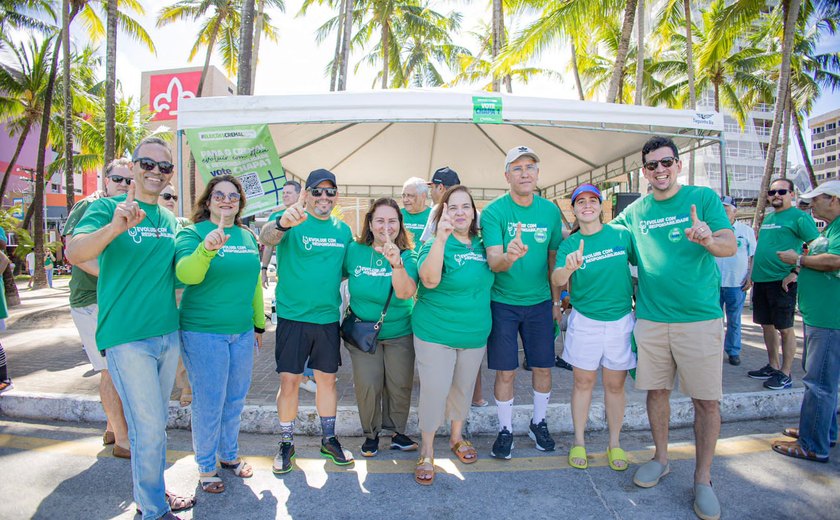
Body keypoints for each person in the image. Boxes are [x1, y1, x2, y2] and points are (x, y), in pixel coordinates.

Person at [66, 137, 194, 520]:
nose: (156, 172)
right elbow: (74, 253)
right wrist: (115, 228)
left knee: (155, 425)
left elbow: (179, 276)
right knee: (149, 426)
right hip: (126, 338)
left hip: (166, 336)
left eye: (165, 167)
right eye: (148, 164)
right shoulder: (106, 208)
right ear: (134, 167)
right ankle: (153, 510)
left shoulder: (172, 221)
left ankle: (153, 493)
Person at [613, 136, 736, 520]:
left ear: (678, 164)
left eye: (666, 162)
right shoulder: (635, 212)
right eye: (651, 165)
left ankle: (703, 478)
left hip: (699, 319)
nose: (660, 170)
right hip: (651, 319)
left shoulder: (703, 198)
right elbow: (604, 237)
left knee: (706, 401)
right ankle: (661, 458)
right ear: (644, 171)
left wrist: (709, 239)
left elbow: (729, 245)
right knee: (656, 392)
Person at [259, 168, 354, 474]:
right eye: (317, 191)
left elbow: (344, 270)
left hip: (327, 319)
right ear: (307, 194)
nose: (323, 197)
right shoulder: (292, 220)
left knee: (327, 380)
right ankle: (286, 442)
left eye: (330, 191)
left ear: (336, 195)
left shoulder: (343, 230)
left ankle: (329, 438)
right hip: (292, 318)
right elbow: (266, 237)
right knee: (289, 381)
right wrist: (283, 222)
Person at [176, 175, 264, 493]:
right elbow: (186, 273)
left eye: (233, 196)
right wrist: (207, 249)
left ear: (240, 202)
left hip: (240, 333)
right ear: (208, 201)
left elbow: (253, 282)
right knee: (209, 401)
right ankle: (205, 465)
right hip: (203, 333)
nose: (226, 200)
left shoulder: (247, 235)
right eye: (219, 195)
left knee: (235, 398)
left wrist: (258, 325)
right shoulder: (191, 233)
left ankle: (228, 456)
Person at [481, 145, 564, 458]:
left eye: (530, 166)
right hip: (502, 303)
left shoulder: (550, 211)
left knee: (543, 366)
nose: (525, 172)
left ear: (538, 173)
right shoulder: (494, 213)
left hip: (541, 303)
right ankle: (505, 430)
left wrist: (556, 302)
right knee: (506, 371)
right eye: (517, 168)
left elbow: (554, 258)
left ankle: (538, 422)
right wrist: (509, 256)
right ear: (506, 176)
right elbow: (493, 262)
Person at [412, 185, 494, 485]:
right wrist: (442, 238)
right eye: (453, 207)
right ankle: (428, 448)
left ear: (474, 212)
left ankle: (457, 437)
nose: (460, 212)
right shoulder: (433, 241)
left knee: (463, 387)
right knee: (435, 389)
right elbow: (429, 280)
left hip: (474, 332)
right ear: (442, 212)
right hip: (435, 331)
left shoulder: (486, 244)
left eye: (466, 207)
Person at [551, 183, 636, 471]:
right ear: (573, 210)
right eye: (580, 202)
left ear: (601, 206)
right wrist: (569, 268)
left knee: (615, 386)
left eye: (592, 200)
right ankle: (579, 442)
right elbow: (557, 279)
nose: (587, 205)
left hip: (620, 322)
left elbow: (643, 265)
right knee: (583, 383)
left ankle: (614, 444)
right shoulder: (569, 244)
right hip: (585, 322)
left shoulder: (622, 236)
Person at [62, 158, 133, 458]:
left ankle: (111, 426)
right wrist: (112, 277)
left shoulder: (130, 208)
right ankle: (123, 441)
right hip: (91, 300)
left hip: (114, 301)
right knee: (109, 370)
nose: (124, 186)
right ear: (105, 180)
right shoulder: (89, 206)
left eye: (130, 181)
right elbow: (72, 252)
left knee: (115, 367)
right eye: (118, 179)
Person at [344, 198, 419, 457]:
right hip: (363, 333)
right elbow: (334, 274)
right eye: (380, 220)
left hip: (399, 332)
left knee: (399, 384)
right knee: (368, 383)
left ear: (400, 224)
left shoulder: (409, 255)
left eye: (392, 221)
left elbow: (406, 291)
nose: (386, 226)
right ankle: (371, 434)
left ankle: (397, 432)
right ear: (370, 223)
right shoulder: (354, 250)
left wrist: (396, 263)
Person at [771, 180, 840, 463]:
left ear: (834, 199)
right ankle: (824, 431)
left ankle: (813, 444)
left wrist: (797, 260)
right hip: (820, 316)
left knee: (819, 382)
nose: (812, 204)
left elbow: (835, 261)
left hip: (830, 319)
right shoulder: (832, 228)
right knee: (825, 381)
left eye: (817, 199)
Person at [749, 178, 820, 390]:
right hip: (762, 281)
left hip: (782, 281)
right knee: (766, 325)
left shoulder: (799, 217)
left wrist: (796, 271)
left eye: (781, 191)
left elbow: (816, 245)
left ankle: (786, 372)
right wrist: (752, 274)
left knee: (786, 328)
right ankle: (773, 365)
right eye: (772, 192)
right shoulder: (770, 217)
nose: (776, 195)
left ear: (792, 194)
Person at [263, 181, 317, 393]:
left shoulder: (313, 217)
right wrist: (263, 268)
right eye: (283, 193)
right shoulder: (276, 218)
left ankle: (308, 374)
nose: (284, 196)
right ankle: (299, 377)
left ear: (300, 195)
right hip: (289, 296)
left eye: (288, 193)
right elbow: (268, 242)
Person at [159, 183, 193, 407]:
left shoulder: (184, 224)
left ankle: (187, 387)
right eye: (167, 196)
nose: (172, 199)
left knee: (183, 342)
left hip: (181, 289)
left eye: (175, 196)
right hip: (157, 293)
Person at [716, 196, 756, 366]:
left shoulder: (745, 231)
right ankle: (714, 350)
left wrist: (750, 276)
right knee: (714, 320)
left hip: (736, 283)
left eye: (726, 209)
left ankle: (733, 351)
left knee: (734, 320)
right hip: (715, 284)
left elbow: (753, 255)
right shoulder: (713, 230)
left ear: (734, 211)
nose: (723, 212)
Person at [419, 167, 462, 243]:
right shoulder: (472, 211)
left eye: (432, 188)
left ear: (440, 188)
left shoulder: (437, 210)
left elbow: (426, 243)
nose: (431, 193)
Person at [400, 177, 431, 252]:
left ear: (423, 196)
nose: (405, 200)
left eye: (410, 196)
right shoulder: (397, 214)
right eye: (403, 195)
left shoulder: (433, 215)